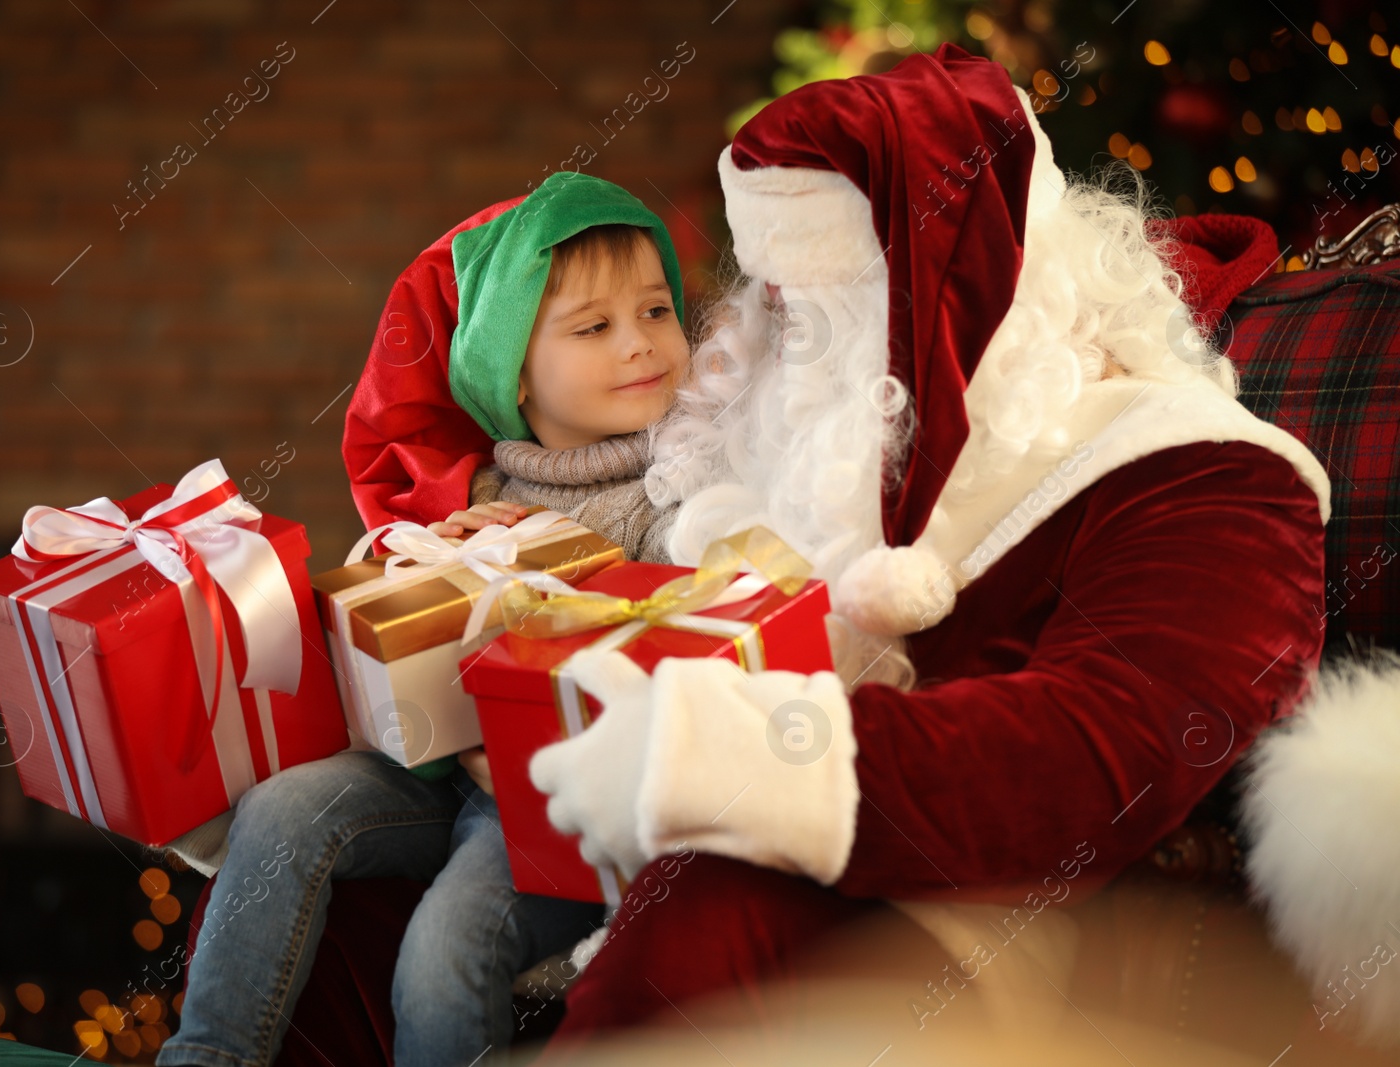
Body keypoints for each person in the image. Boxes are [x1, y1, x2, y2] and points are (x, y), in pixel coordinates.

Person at [286, 44, 1333, 1063]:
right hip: (599, 818)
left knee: (708, 916)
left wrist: (732, 756)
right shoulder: (751, 441)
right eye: (782, 296)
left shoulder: (1194, 467)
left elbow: (1099, 744)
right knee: (307, 843)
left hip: (966, 910)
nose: (798, 339)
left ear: (984, 274)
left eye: (845, 298)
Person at [156, 171, 690, 1067]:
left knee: (445, 947)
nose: (640, 344)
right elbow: (390, 655)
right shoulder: (473, 497)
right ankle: (205, 1058)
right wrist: (429, 560)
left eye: (657, 310)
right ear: (510, 371)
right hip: (444, 771)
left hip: (560, 805)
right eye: (595, 327)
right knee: (283, 806)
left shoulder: (682, 495)